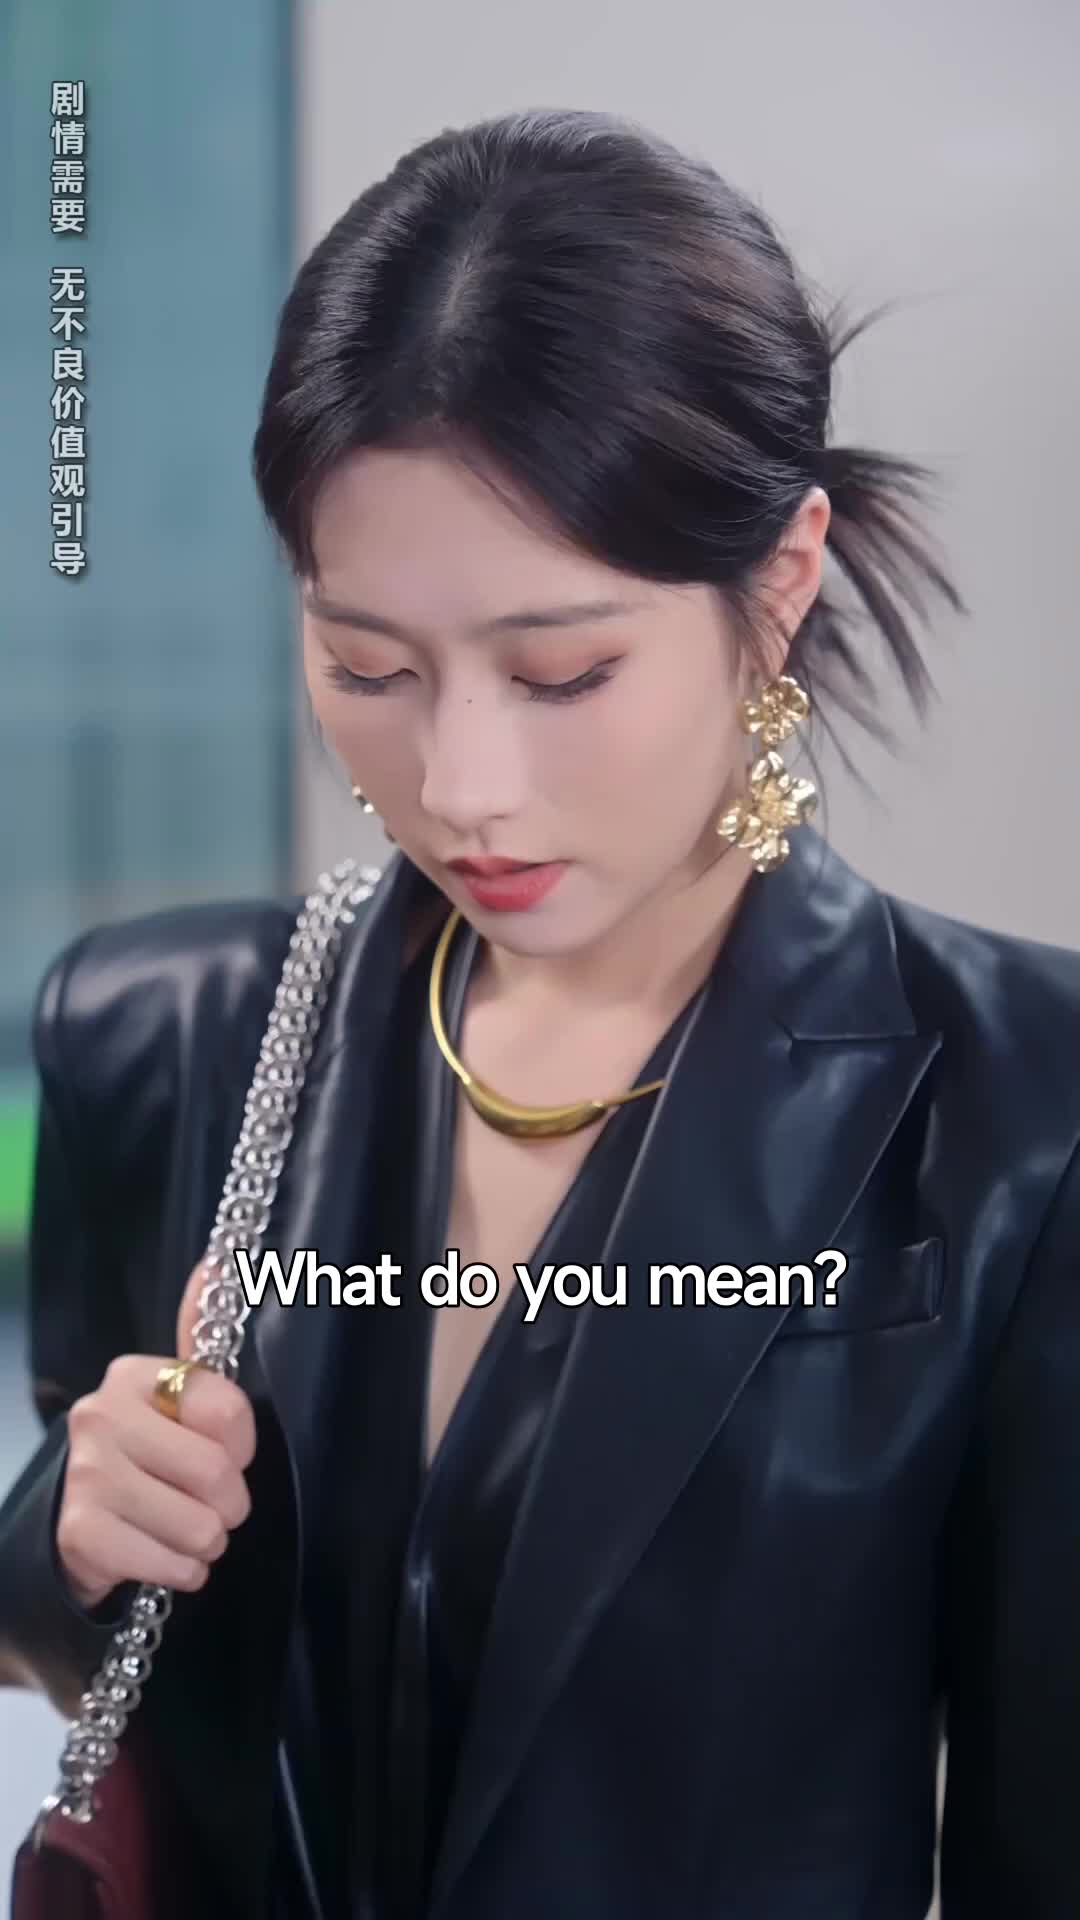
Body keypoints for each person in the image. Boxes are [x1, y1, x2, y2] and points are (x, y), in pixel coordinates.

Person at [2, 104, 1078, 1920]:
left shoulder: (1024, 1115)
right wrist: (65, 1534)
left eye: (562, 672)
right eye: (369, 666)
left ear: (779, 584)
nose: (462, 787)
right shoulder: (165, 1036)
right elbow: (93, 1658)